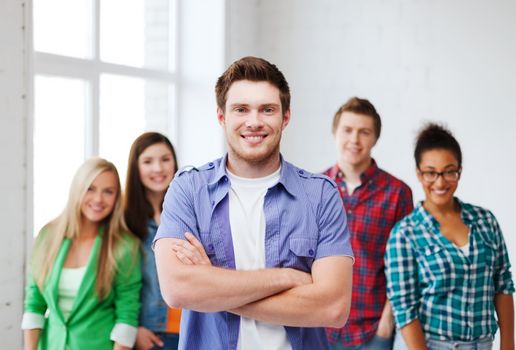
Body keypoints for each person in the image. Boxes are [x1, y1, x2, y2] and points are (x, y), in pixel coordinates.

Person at [153, 56, 354, 350]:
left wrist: (213, 286)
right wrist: (285, 278)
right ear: (222, 116)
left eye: (267, 109)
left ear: (286, 117)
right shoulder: (188, 189)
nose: (254, 121)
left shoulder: (321, 195)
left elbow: (333, 308)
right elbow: (178, 290)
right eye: (241, 109)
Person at [385, 123, 515, 350]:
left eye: (449, 171)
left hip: (483, 344)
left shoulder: (485, 221)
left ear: (459, 171)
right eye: (430, 173)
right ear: (418, 173)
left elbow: (503, 284)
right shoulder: (404, 234)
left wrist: (508, 345)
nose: (440, 182)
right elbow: (404, 310)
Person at [22, 158, 142, 350]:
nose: (98, 199)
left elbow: (126, 318)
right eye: (90, 188)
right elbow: (34, 304)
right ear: (77, 189)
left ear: (116, 198)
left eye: (108, 192)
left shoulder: (124, 246)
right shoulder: (48, 236)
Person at [324, 97, 413, 350]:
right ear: (335, 133)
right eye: (348, 130)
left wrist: (387, 323)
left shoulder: (397, 193)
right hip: (321, 327)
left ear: (375, 139)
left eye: (364, 132)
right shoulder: (315, 189)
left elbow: (403, 266)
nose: (355, 140)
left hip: (374, 331)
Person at [124, 132, 181, 350]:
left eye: (165, 159)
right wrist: (134, 329)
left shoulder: (189, 212)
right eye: (148, 161)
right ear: (135, 168)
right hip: (151, 333)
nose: (158, 168)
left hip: (191, 327)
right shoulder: (124, 219)